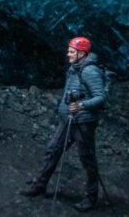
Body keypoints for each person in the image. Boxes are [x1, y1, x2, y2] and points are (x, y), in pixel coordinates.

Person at [20, 36, 110, 210]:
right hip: (68, 119)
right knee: (53, 149)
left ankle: (91, 197)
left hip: (83, 122)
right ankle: (40, 185)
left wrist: (81, 105)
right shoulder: (74, 68)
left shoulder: (89, 71)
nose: (68, 54)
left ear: (81, 53)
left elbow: (100, 98)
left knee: (87, 159)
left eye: (71, 51)